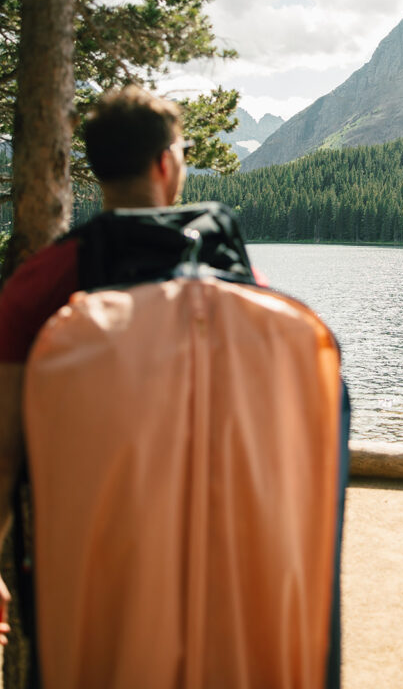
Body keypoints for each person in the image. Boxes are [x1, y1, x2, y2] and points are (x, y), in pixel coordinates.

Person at [0, 86, 255, 658]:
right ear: (167, 163)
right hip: (216, 545)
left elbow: (5, 450)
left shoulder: (37, 285)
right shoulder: (231, 276)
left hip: (86, 552)